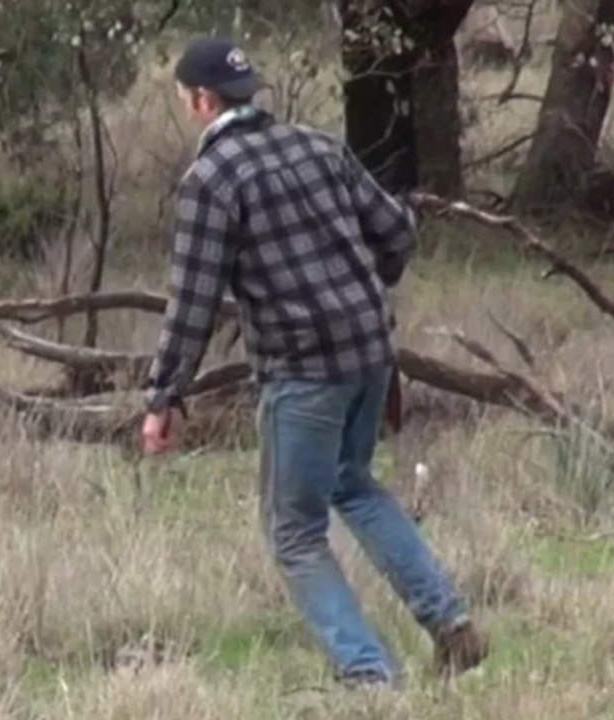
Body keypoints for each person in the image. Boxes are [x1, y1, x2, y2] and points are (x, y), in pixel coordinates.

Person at [140, 36, 488, 687]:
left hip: (303, 371)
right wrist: (358, 283)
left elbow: (191, 301)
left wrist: (163, 396)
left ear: (201, 100)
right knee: (351, 483)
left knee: (292, 532)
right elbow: (398, 232)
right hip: (370, 351)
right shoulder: (317, 146)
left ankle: (368, 675)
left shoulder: (210, 180)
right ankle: (451, 625)